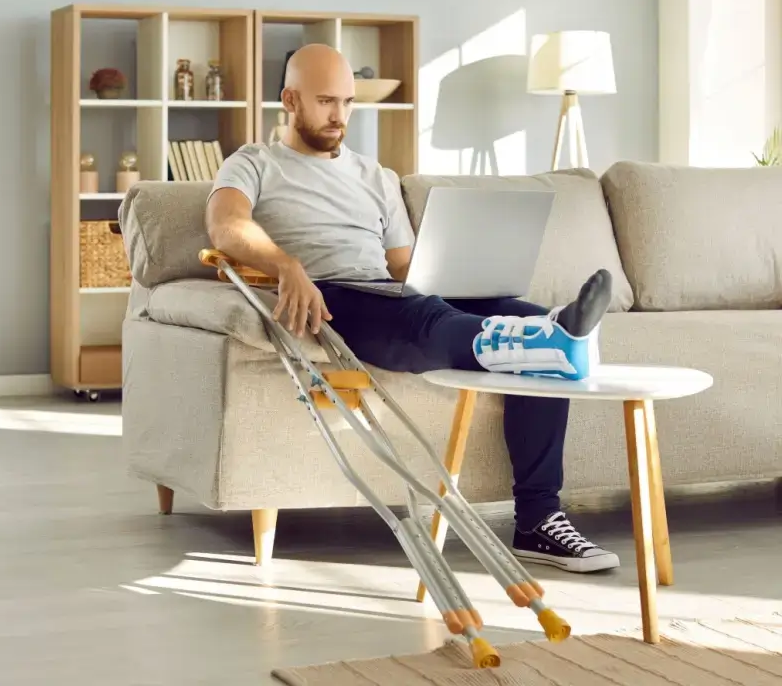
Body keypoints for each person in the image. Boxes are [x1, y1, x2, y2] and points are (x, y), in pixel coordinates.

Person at [206, 43, 620, 574]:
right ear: (290, 99)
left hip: (389, 288)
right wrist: (287, 265)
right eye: (326, 101)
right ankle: (544, 341)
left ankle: (538, 519)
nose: (340, 116)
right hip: (335, 297)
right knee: (431, 322)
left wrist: (460, 274)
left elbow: (404, 267)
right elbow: (225, 226)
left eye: (348, 102)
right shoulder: (254, 163)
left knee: (526, 315)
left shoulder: (373, 175)